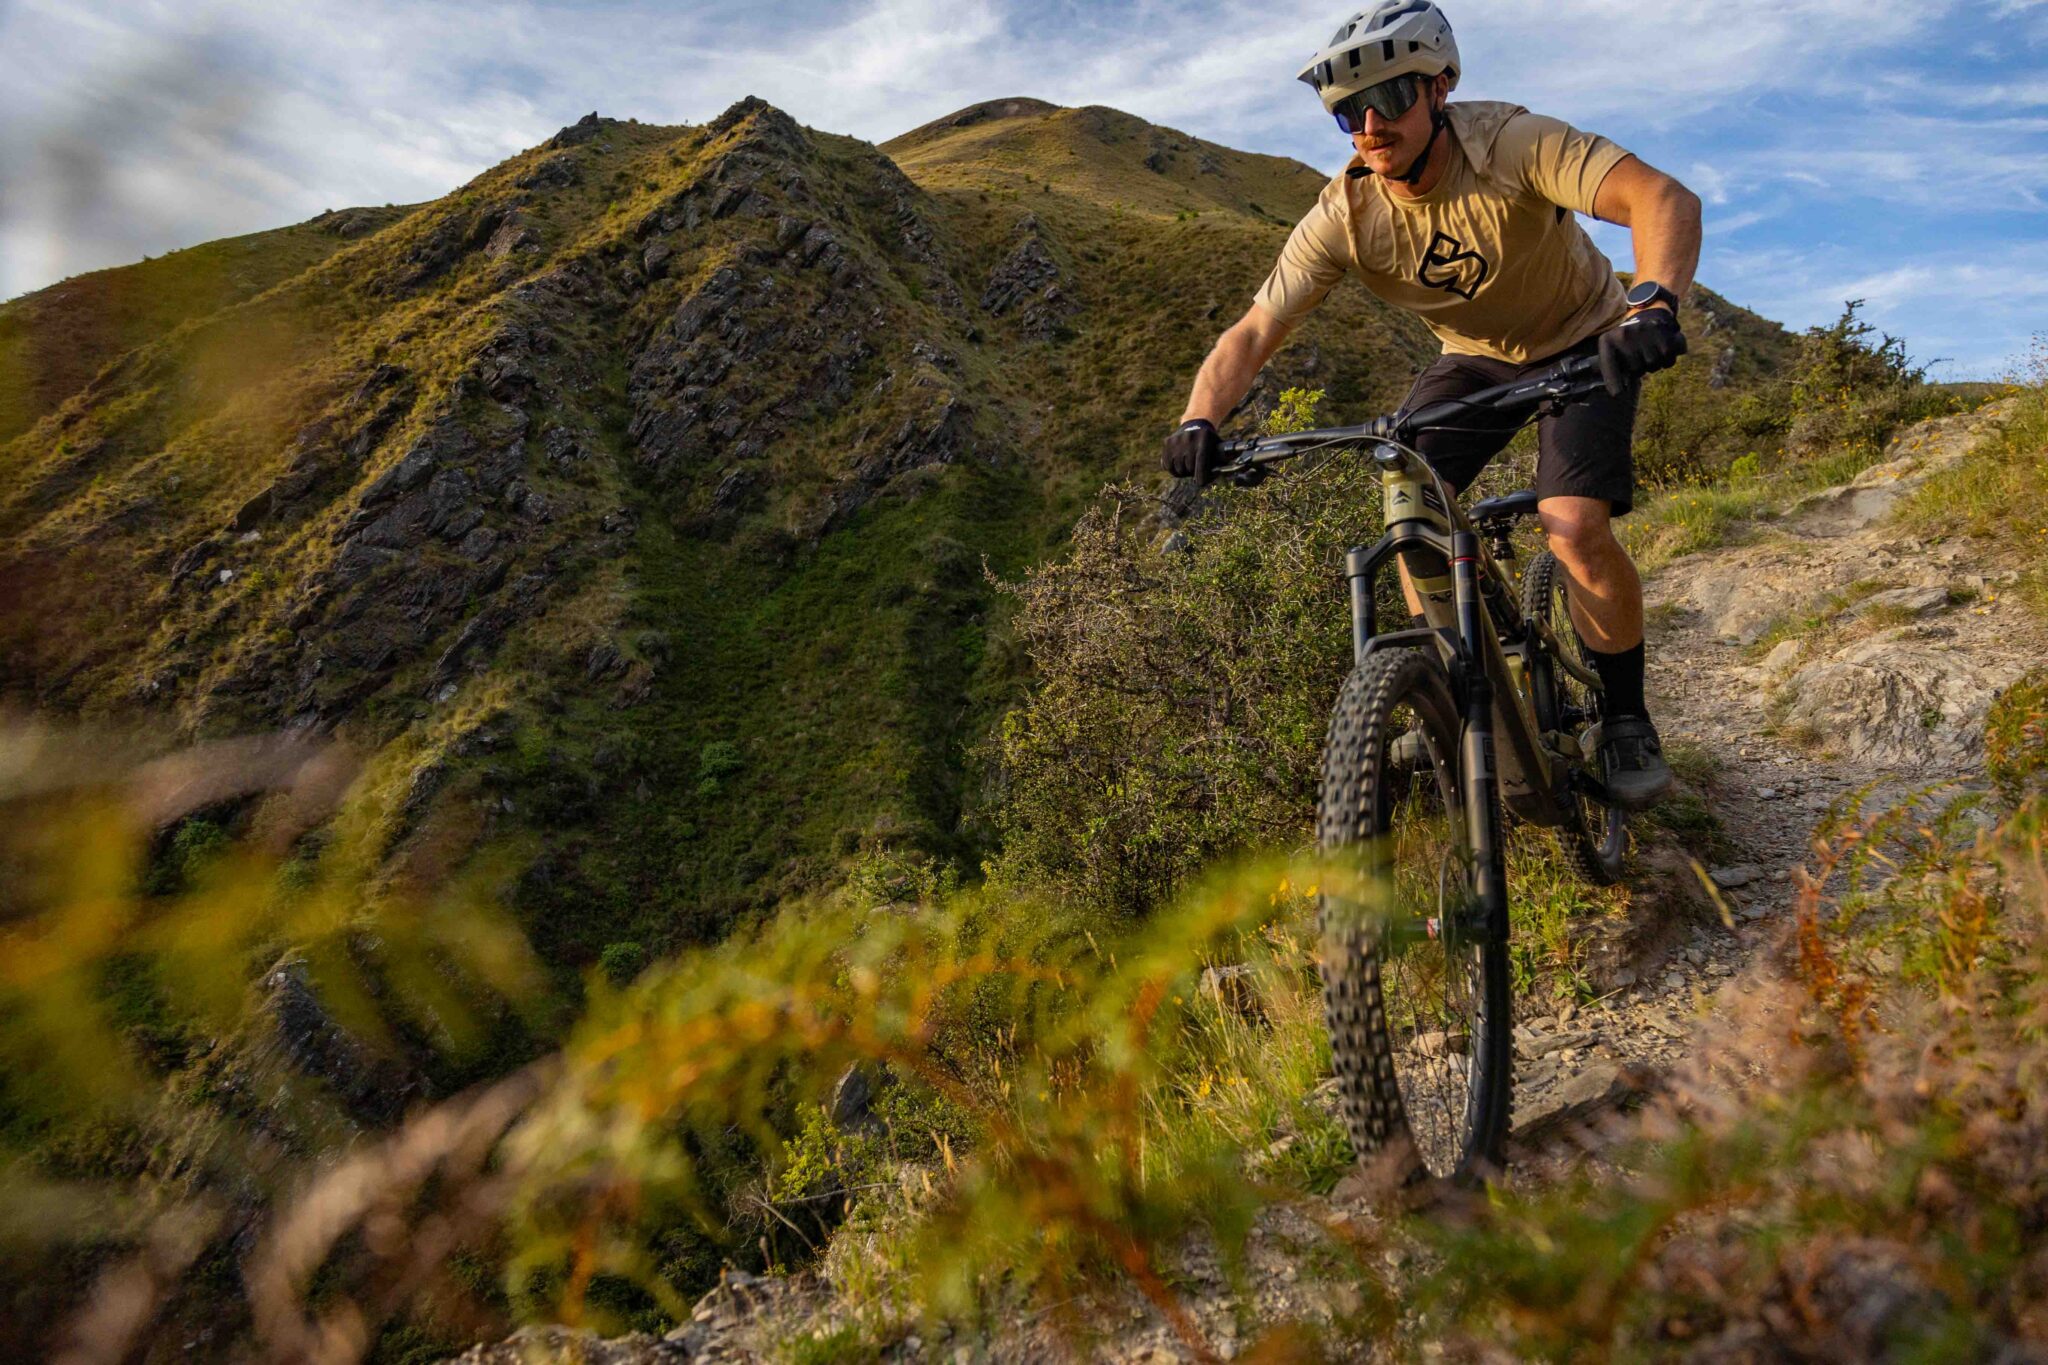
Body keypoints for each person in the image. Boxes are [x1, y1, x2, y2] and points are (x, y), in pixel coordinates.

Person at [1161, 0, 1701, 809]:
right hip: (1474, 360)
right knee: (1409, 509)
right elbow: (1256, 329)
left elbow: (1661, 199)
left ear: (1441, 87)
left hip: (1587, 338)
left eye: (1391, 99)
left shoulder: (1511, 143)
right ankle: (1455, 682)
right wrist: (1199, 419)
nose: (1369, 124)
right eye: (1348, 110)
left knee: (1574, 523)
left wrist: (1653, 305)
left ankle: (1626, 717)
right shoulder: (1343, 214)